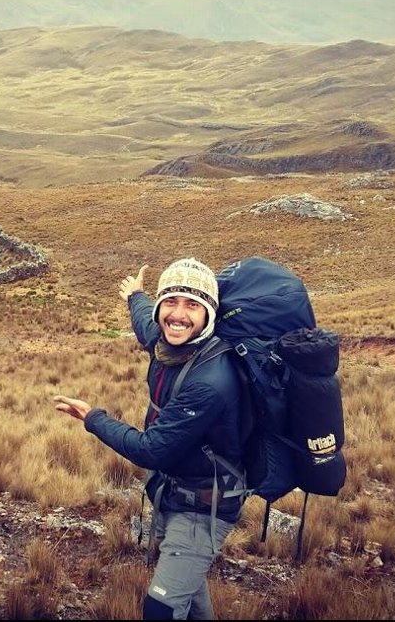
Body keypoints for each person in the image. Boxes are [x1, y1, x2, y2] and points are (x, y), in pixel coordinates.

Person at [54, 258, 248, 620]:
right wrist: (136, 296)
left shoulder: (210, 381)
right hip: (175, 491)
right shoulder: (166, 341)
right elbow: (147, 323)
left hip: (202, 507)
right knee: (188, 594)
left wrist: (93, 418)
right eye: (170, 302)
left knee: (161, 608)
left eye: (193, 305)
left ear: (209, 314)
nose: (178, 315)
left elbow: (152, 449)